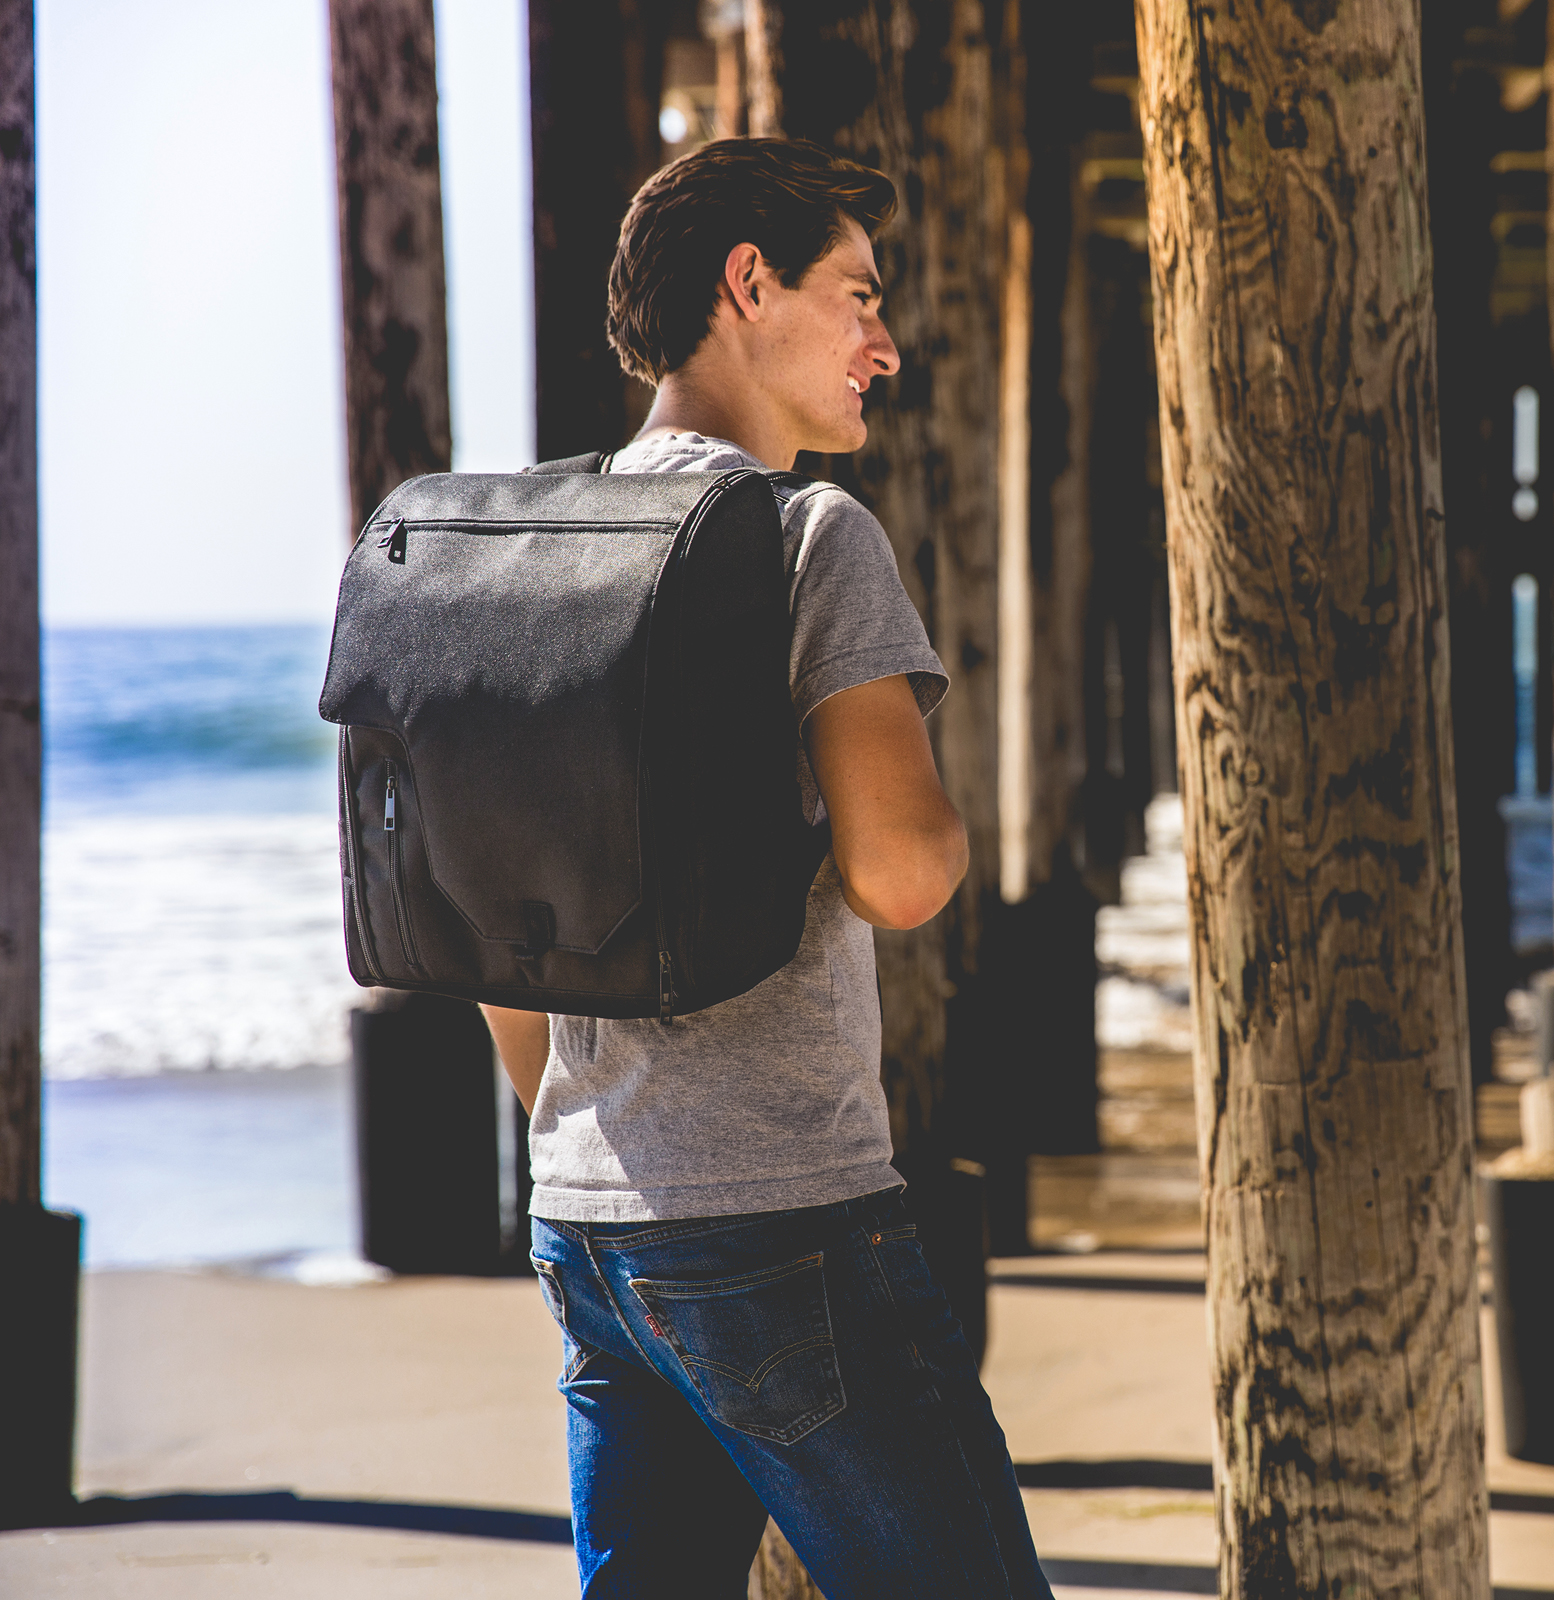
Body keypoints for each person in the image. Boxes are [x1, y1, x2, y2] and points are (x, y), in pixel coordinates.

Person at [480, 137, 1053, 1599]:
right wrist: (943, 815)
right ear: (751, 283)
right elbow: (903, 873)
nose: (886, 341)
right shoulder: (805, 537)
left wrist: (589, 1125)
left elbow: (492, 927)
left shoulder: (536, 549)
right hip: (784, 1209)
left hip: (588, 1220)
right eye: (857, 296)